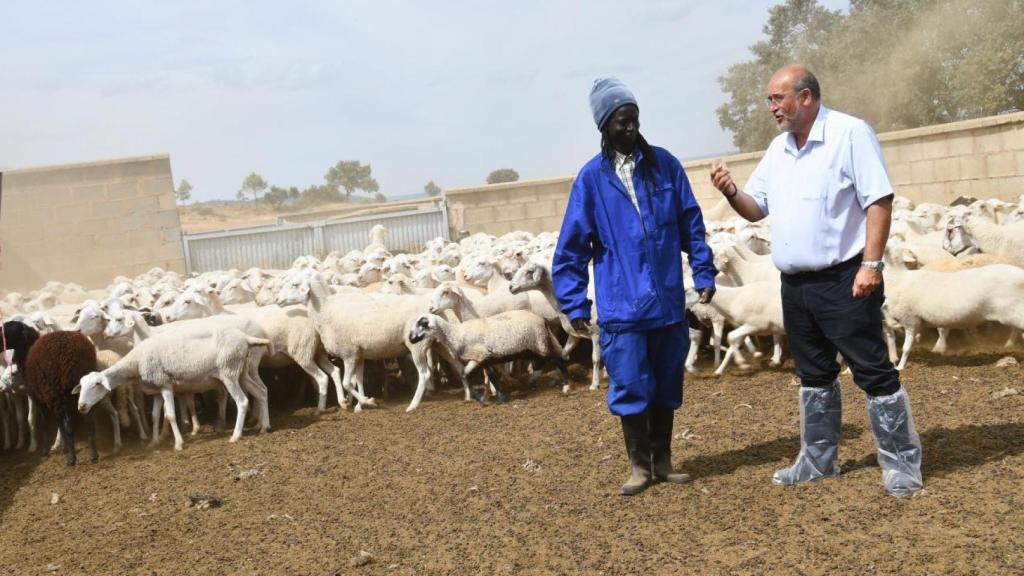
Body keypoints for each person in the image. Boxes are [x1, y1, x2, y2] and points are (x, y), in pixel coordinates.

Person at [709, 64, 923, 498]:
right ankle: (818, 460)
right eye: (769, 99)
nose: (771, 107)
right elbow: (757, 209)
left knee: (873, 370)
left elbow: (879, 200)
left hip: (845, 278)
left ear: (806, 97)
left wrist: (872, 265)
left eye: (777, 98)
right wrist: (731, 191)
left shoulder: (850, 134)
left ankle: (901, 465)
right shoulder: (778, 149)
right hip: (795, 286)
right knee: (812, 374)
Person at [553, 78, 717, 496]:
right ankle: (639, 466)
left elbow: (690, 224)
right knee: (629, 383)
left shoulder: (665, 166)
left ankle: (663, 461)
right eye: (622, 122)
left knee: (666, 381)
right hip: (622, 305)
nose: (631, 128)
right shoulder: (591, 180)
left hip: (664, 299)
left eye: (635, 119)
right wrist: (574, 302)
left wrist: (703, 271)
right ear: (604, 126)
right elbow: (572, 246)